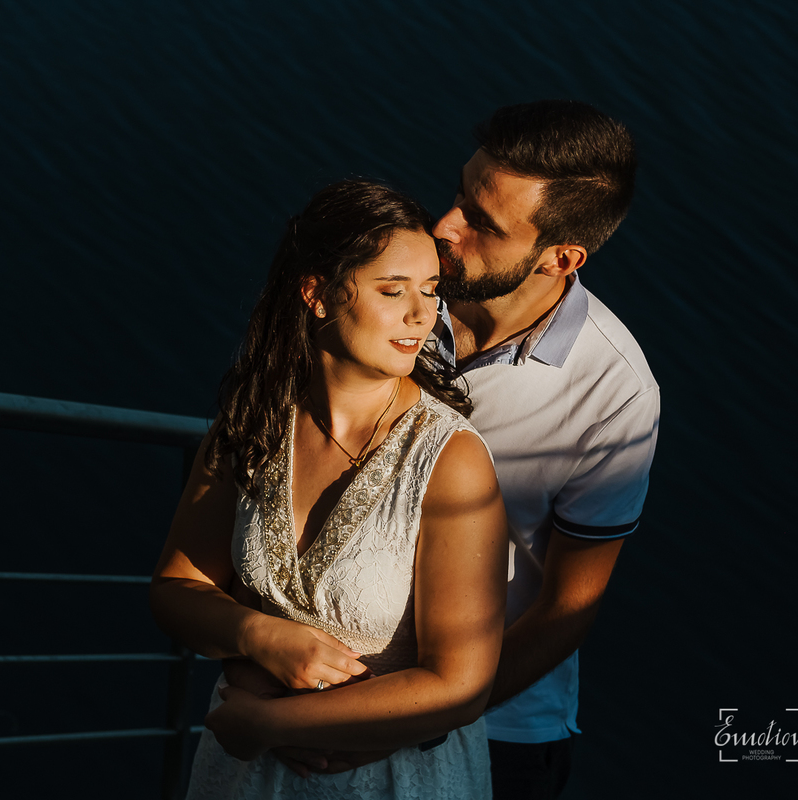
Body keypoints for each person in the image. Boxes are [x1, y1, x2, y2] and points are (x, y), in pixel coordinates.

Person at [272, 100, 661, 799]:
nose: (445, 226)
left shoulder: (614, 396)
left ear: (560, 257)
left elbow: (567, 609)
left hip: (496, 732)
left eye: (482, 224)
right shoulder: (393, 297)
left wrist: (404, 720)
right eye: (460, 193)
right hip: (314, 687)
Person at [150, 179, 509, 799]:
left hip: (389, 781)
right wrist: (257, 634)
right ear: (315, 293)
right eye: (392, 290)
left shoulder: (449, 460)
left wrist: (266, 722)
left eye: (430, 291)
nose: (422, 316)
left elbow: (461, 684)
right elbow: (177, 588)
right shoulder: (254, 420)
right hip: (243, 777)